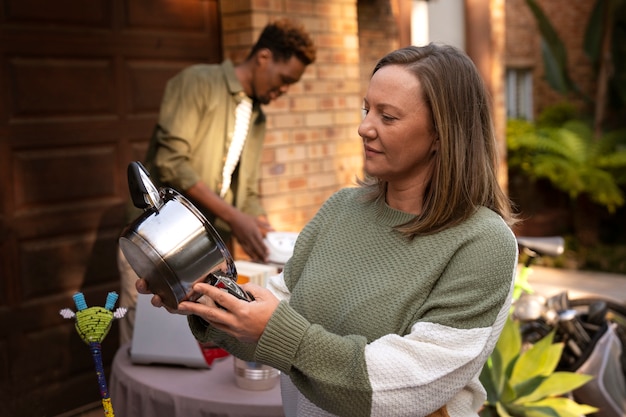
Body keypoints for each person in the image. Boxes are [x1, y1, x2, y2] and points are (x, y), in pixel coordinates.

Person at [138, 43, 520, 416]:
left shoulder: (483, 243)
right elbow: (278, 313)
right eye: (366, 109)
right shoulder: (341, 208)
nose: (363, 128)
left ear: (442, 134)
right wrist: (202, 298)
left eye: (387, 117)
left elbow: (410, 384)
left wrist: (282, 335)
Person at [118, 19, 317, 345]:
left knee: (193, 345)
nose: (283, 91)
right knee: (148, 347)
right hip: (155, 242)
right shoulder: (196, 82)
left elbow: (247, 190)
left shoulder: (257, 116)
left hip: (204, 254)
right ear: (264, 57)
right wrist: (235, 218)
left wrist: (263, 231)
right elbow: (171, 162)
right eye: (284, 80)